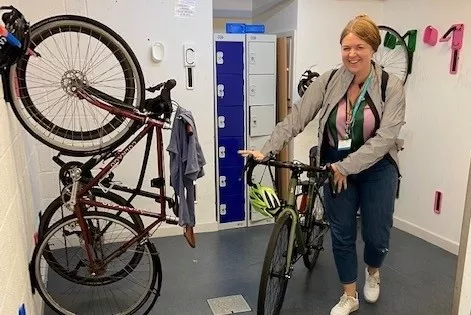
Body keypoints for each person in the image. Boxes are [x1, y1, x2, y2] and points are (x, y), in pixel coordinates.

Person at [238, 14, 405, 315]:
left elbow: (385, 138)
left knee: (377, 234)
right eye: (346, 47)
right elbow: (297, 117)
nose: (351, 54)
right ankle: (349, 296)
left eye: (359, 47)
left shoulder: (390, 86)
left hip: (378, 168)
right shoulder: (328, 80)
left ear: (373, 49)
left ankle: (374, 270)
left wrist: (347, 165)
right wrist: (266, 149)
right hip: (334, 167)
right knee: (341, 234)